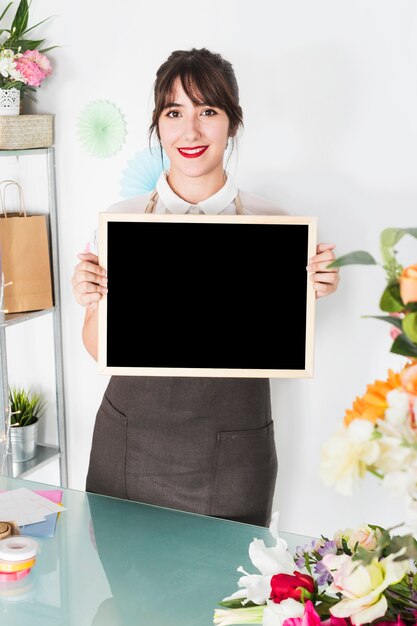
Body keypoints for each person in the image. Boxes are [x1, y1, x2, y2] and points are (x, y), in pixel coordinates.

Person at [72, 48, 340, 527]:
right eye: (174, 112)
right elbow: (99, 350)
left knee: (230, 599)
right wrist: (92, 300)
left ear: (232, 124)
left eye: (208, 112)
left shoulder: (279, 226)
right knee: (129, 592)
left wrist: (311, 291)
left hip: (234, 452)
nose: (190, 131)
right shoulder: (122, 221)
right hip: (130, 442)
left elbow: (283, 344)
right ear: (158, 123)